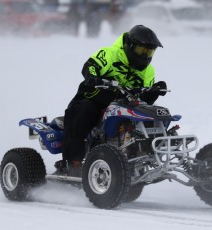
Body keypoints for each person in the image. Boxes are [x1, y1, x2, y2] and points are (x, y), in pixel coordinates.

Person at [55, 25, 167, 177]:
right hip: (94, 97)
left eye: (149, 51)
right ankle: (73, 163)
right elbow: (89, 67)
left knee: (149, 114)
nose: (145, 55)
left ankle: (145, 152)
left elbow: (144, 99)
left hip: (125, 104)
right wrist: (93, 77)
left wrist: (155, 91)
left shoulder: (149, 70)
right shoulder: (110, 53)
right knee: (84, 111)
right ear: (130, 45)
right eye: (142, 50)